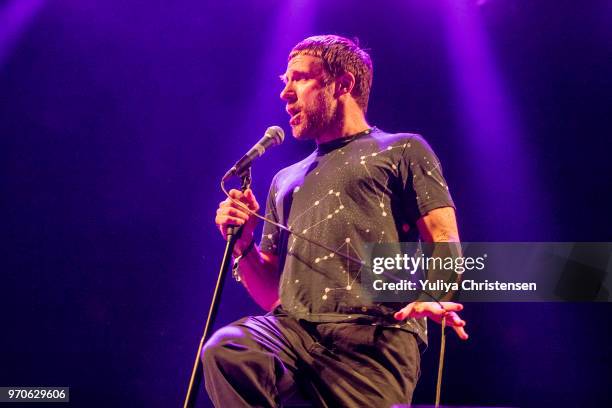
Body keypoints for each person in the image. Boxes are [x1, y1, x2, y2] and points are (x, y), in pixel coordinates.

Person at [204, 34, 468, 407]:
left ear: (343, 83)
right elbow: (272, 295)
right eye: (285, 82)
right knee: (229, 348)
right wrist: (244, 243)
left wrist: (434, 294)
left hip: (373, 338)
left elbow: (444, 238)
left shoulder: (401, 150)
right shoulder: (285, 179)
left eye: (299, 78)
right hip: (292, 334)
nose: (285, 93)